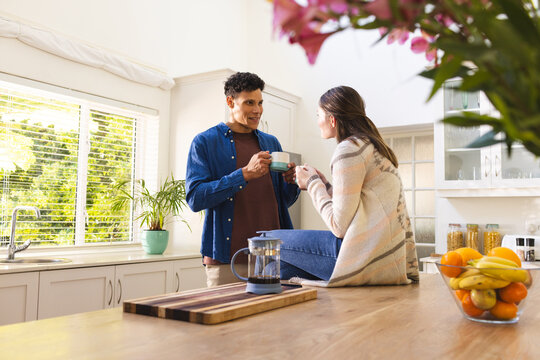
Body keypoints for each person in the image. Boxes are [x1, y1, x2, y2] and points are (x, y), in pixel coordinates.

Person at [270, 86, 419, 287]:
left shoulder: (348, 150)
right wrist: (327, 187)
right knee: (282, 270)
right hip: (384, 259)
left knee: (267, 239)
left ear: (332, 119)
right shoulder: (372, 147)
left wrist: (313, 184)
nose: (317, 121)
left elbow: (339, 226)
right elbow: (359, 206)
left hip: (360, 257)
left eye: (318, 115)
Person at [185, 72, 300, 287]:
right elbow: (195, 198)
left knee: (271, 320)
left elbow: (281, 202)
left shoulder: (271, 142)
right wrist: (244, 174)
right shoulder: (204, 142)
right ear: (230, 102)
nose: (257, 110)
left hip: (272, 257)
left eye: (260, 103)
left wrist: (290, 182)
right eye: (249, 103)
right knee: (225, 319)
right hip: (227, 260)